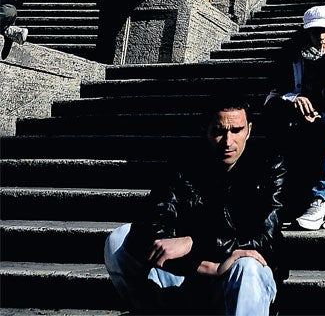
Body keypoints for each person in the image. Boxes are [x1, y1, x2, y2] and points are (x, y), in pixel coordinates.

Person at [103, 99, 285, 315]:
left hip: (238, 280)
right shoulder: (183, 164)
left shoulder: (269, 166)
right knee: (118, 240)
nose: (228, 141)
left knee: (248, 265)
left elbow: (266, 240)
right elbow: (150, 226)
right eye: (218, 131)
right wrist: (209, 267)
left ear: (249, 130)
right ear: (204, 129)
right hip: (192, 274)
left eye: (237, 130)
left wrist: (195, 243)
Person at [262, 6, 325, 229]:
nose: (321, 37)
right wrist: (293, 99)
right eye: (315, 32)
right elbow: (272, 96)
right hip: (302, 123)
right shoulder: (292, 58)